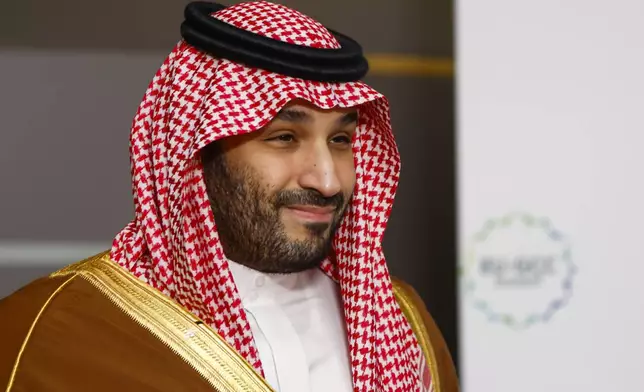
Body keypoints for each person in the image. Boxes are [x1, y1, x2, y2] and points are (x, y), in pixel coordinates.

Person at [0, 1, 458, 391]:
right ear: (195, 151)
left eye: (341, 140)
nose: (327, 180)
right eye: (283, 137)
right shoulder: (53, 330)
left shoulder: (402, 325)